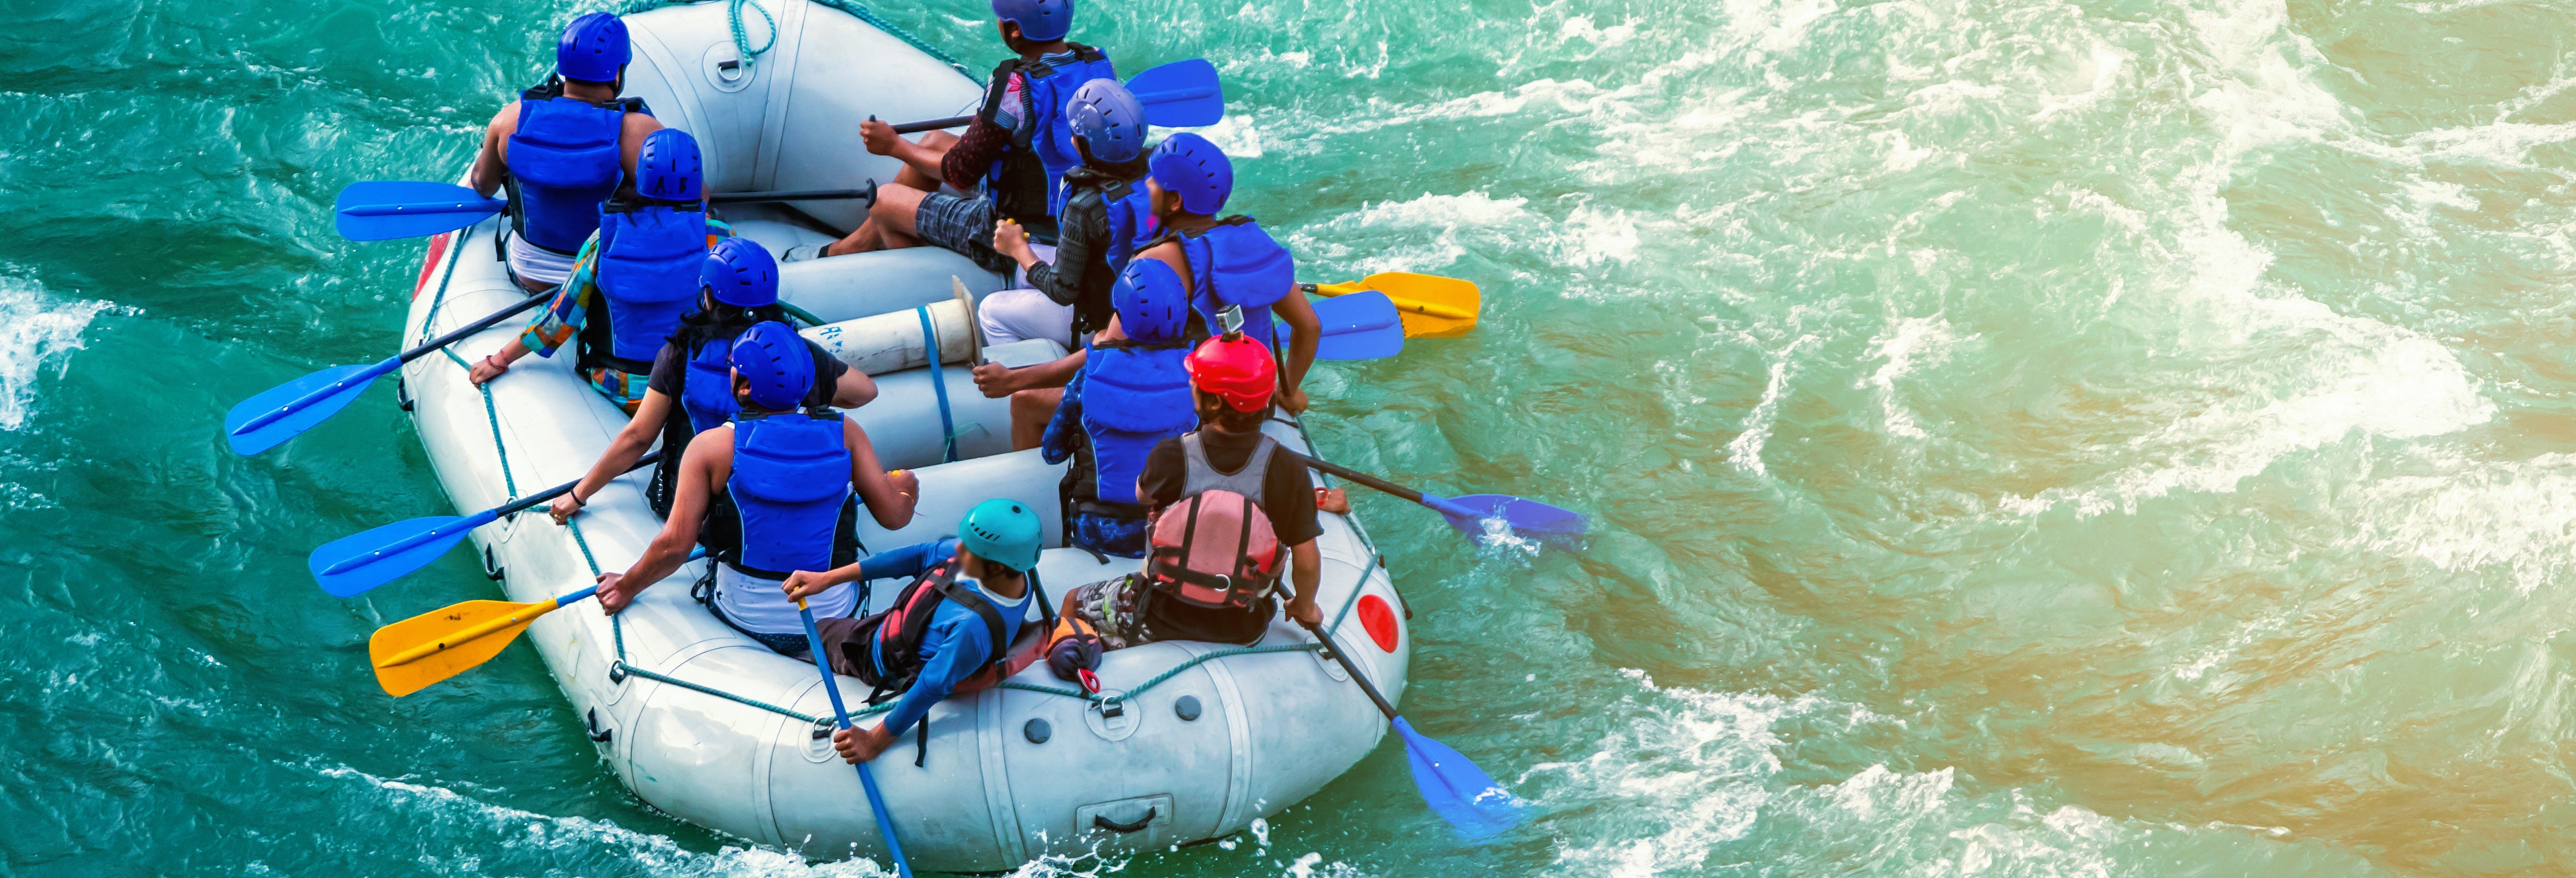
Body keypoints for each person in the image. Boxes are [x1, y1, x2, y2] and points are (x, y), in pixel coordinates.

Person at [973, 132, 1323, 445]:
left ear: (1174, 202)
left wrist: (1014, 380)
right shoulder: (1255, 241)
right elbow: (1309, 326)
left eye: (1153, 181)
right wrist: (1287, 391)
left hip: (1190, 408)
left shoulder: (1155, 264)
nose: (1147, 185)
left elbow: (1106, 351)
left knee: (1025, 404)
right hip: (1250, 404)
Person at [594, 322, 920, 653]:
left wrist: (625, 586)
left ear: (745, 387)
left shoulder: (710, 447)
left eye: (734, 366)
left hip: (744, 612)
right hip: (832, 612)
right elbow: (895, 517)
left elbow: (675, 545)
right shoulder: (848, 433)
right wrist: (907, 489)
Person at [546, 239, 877, 522]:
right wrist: (811, 374)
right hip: (765, 500)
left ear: (708, 296)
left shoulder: (680, 351)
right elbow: (864, 392)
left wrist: (578, 494)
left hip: (687, 502)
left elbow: (638, 437)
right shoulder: (791, 355)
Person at [1063, 331, 1349, 648]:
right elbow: (1307, 559)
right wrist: (1304, 605)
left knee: (1073, 599)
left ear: (1213, 401)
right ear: (1266, 399)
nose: (1189, 383)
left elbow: (1142, 497)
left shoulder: (1172, 454)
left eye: (1196, 380)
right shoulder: (1288, 469)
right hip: (1245, 625)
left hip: (1160, 614)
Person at [788, 0, 1112, 278]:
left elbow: (961, 173)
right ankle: (859, 243)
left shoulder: (1013, 84)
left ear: (1015, 31)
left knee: (885, 201)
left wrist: (894, 146)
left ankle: (882, 257)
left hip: (1012, 231)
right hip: (1070, 207)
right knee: (932, 142)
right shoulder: (1097, 60)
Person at [469, 128, 729, 411]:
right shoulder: (719, 237)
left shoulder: (605, 238)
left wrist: (501, 359)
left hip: (620, 388)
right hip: (686, 383)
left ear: (640, 176)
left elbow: (560, 318)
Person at [780, 500, 1051, 764]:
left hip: (879, 658)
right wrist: (826, 579)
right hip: (898, 627)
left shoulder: (972, 629)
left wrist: (874, 741)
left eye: (970, 549)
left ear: (994, 566)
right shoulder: (1012, 569)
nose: (959, 550)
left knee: (818, 634)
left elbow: (932, 686)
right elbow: (918, 556)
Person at [468, 12, 664, 292]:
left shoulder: (510, 119)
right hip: (601, 283)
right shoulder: (640, 133)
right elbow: (695, 199)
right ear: (618, 73)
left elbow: (482, 185)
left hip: (530, 276)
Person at [980, 76, 1158, 348]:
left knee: (990, 310)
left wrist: (1017, 247)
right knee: (1023, 274)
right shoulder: (1158, 170)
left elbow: (1063, 290)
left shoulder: (1084, 204)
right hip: (1140, 299)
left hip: (1098, 322)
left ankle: (1037, 379)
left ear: (1079, 144)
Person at [1038, 258, 1195, 558]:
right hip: (1171, 532)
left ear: (1121, 315)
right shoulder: (1197, 377)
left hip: (1097, 533)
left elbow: (1052, 452)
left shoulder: (1089, 375)